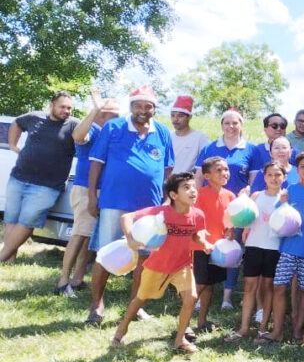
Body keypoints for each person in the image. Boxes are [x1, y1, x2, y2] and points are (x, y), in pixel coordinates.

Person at [84, 85, 175, 326]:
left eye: (149, 106)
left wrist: (166, 200)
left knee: (145, 259)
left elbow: (168, 169)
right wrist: (93, 197)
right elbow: (96, 163)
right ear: (131, 106)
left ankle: (135, 306)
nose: (143, 110)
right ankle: (97, 305)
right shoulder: (113, 127)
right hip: (114, 201)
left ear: (154, 108)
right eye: (138, 105)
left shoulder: (163, 132)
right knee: (105, 254)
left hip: (149, 209)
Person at [110, 172, 212, 354]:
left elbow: (197, 235)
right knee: (141, 299)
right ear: (173, 195)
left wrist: (204, 243)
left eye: (194, 187)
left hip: (182, 265)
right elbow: (127, 218)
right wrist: (131, 238)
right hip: (158, 266)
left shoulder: (198, 215)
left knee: (191, 298)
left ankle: (180, 339)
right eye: (186, 188)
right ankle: (121, 331)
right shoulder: (161, 213)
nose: (193, 191)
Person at [0, 91, 79, 264]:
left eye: (69, 108)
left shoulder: (73, 125)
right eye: (62, 107)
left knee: (27, 221)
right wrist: (13, 145)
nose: (66, 111)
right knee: (11, 218)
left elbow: (84, 137)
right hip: (19, 177)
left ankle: (2, 256)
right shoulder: (35, 117)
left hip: (48, 186)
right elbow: (16, 123)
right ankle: (10, 258)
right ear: (52, 105)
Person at [56, 94, 119, 297]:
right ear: (102, 114)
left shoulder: (112, 133)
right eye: (113, 114)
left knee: (89, 237)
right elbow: (78, 136)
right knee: (79, 234)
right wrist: (94, 110)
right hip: (85, 189)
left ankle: (77, 279)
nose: (117, 118)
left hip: (104, 190)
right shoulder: (92, 129)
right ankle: (63, 281)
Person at [196, 108, 256, 309]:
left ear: (241, 125)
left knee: (232, 248)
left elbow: (253, 181)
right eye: (227, 123)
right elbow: (198, 177)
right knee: (204, 248)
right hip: (209, 204)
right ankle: (200, 294)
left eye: (235, 123)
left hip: (235, 208)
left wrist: (245, 195)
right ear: (221, 125)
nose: (231, 126)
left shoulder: (250, 149)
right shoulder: (209, 148)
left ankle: (226, 298)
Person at [264, 153, 304, 342]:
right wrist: (281, 203)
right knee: (279, 286)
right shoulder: (291, 190)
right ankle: (278, 331)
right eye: (303, 167)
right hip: (289, 249)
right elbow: (276, 216)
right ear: (297, 171)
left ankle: (298, 330)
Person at [229, 161, 286, 342]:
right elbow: (246, 217)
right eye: (270, 175)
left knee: (267, 287)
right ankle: (244, 327)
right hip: (254, 246)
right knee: (249, 287)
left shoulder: (286, 198)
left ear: (284, 177)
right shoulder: (256, 195)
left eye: (278, 175)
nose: (274, 178)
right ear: (264, 177)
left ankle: (263, 327)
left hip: (274, 248)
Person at [191, 157, 235, 333]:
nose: (224, 173)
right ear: (207, 175)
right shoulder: (199, 194)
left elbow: (229, 222)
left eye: (226, 169)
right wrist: (203, 240)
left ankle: (202, 322)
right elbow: (194, 220)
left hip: (219, 249)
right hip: (199, 247)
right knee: (199, 285)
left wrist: (230, 232)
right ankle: (184, 324)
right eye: (219, 170)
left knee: (210, 286)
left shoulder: (230, 195)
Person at [168, 95, 209, 175]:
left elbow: (205, 164)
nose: (175, 119)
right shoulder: (167, 136)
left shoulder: (200, 138)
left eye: (180, 116)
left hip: (187, 183)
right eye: (173, 115)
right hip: (167, 184)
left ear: (189, 117)